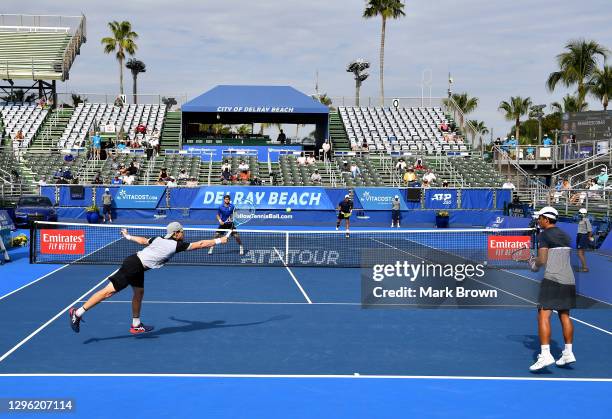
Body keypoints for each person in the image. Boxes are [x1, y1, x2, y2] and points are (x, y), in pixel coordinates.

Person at [69, 222, 229, 334]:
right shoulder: (176, 245)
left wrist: (129, 236)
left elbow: (143, 241)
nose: (184, 233)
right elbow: (200, 244)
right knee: (107, 292)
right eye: (182, 231)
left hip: (137, 266)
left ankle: (136, 325)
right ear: (176, 233)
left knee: (138, 293)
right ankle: (78, 313)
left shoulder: (159, 238)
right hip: (134, 266)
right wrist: (219, 240)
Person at [528, 206, 577, 371]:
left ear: (546, 220)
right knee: (565, 315)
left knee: (543, 315)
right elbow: (555, 255)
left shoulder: (544, 235)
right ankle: (568, 352)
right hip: (568, 280)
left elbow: (542, 260)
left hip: (552, 280)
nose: (538, 220)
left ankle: (545, 354)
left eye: (540, 218)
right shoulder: (565, 235)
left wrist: (534, 264)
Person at [576, 208, 593, 272]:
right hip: (580, 236)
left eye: (580, 213)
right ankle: (584, 267)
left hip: (583, 237)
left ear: (582, 214)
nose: (578, 214)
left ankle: (585, 268)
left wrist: (588, 237)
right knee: (582, 253)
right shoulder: (581, 220)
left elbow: (590, 231)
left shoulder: (586, 220)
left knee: (580, 253)